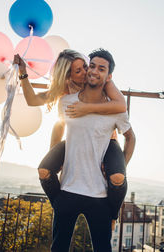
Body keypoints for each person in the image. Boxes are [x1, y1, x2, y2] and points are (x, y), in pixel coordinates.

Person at [13, 49, 128, 228]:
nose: (86, 72)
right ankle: (60, 205)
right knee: (45, 168)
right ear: (68, 76)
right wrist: (22, 72)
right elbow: (34, 101)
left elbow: (121, 105)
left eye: (84, 66)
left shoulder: (103, 83)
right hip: (77, 139)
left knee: (116, 175)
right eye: (78, 71)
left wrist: (85, 108)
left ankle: (112, 214)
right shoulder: (65, 91)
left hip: (106, 140)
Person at [51, 48, 135, 252]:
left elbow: (131, 137)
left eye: (102, 68)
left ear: (109, 76)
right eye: (92, 66)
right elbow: (58, 127)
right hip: (67, 190)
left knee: (102, 249)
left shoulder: (114, 108)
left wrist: (120, 166)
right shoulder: (66, 102)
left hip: (100, 195)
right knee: (58, 248)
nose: (94, 71)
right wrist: (55, 157)